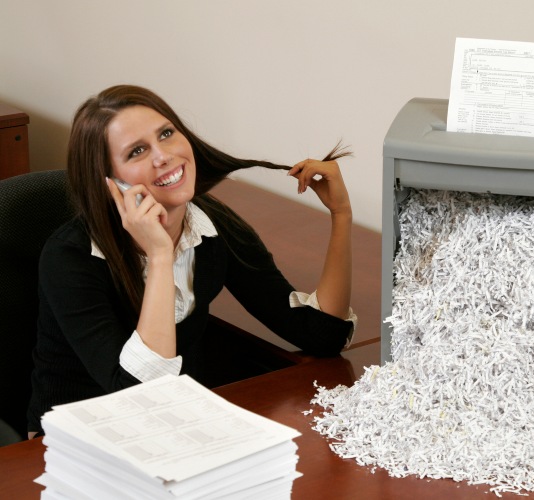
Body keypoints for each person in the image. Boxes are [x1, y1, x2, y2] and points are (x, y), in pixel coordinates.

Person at [27, 85, 356, 437]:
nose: (163, 156)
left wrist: (341, 214)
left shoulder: (212, 228)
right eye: (137, 151)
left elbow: (319, 335)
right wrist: (159, 256)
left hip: (175, 427)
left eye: (166, 134)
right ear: (108, 181)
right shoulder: (71, 256)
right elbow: (139, 392)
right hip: (75, 440)